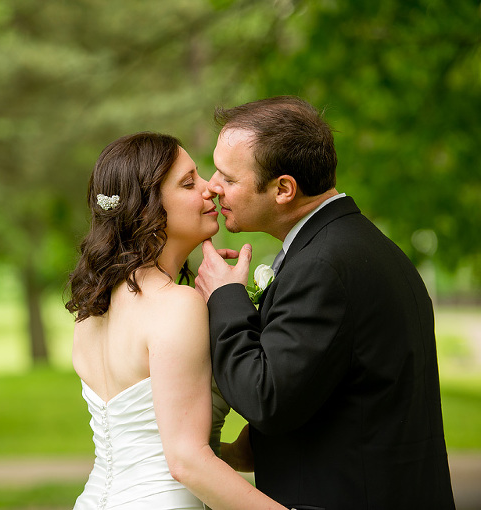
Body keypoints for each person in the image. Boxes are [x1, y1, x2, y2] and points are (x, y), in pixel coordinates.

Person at [195, 96, 455, 509]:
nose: (213, 186)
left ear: (283, 189)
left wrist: (224, 298)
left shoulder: (323, 267)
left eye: (228, 177)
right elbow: (331, 386)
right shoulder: (359, 246)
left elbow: (266, 398)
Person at [66, 132, 283, 509]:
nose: (210, 188)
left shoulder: (91, 309)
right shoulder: (176, 305)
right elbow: (186, 462)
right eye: (188, 183)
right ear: (146, 209)